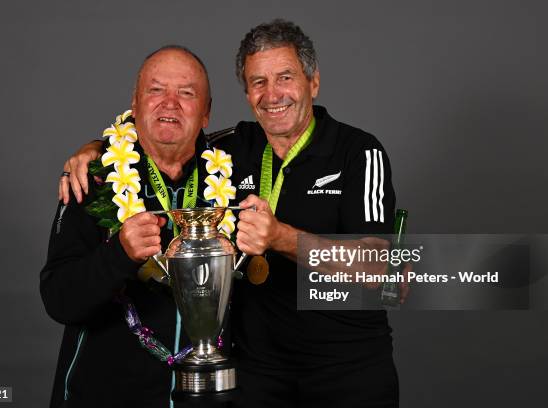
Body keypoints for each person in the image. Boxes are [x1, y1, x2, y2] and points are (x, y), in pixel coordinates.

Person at [60, 20, 408, 408]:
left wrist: (281, 238)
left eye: (285, 77)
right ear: (246, 92)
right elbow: (162, 133)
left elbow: (389, 274)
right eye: (258, 82)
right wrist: (93, 149)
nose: (272, 94)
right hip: (256, 376)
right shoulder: (229, 150)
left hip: (347, 372)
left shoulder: (358, 152)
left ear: (313, 83)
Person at [41, 45, 224, 408]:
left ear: (206, 113)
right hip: (105, 397)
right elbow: (58, 298)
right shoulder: (93, 178)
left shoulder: (231, 172)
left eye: (186, 93)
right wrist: (119, 255)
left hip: (204, 396)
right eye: (156, 90)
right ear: (134, 105)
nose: (169, 103)